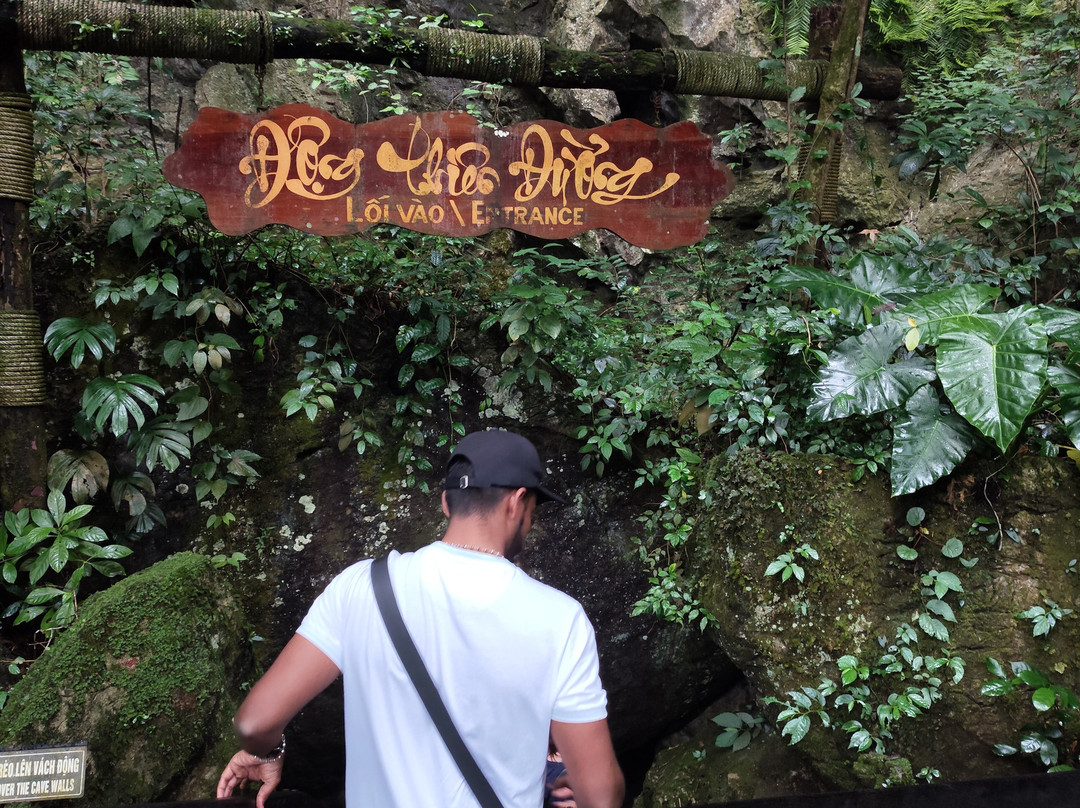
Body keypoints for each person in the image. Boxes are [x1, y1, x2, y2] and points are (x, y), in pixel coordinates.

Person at [217, 429, 625, 808]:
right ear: (516, 502)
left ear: (446, 502)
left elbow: (254, 723)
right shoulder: (561, 619)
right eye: (533, 509)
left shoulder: (359, 587)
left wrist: (267, 751)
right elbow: (600, 795)